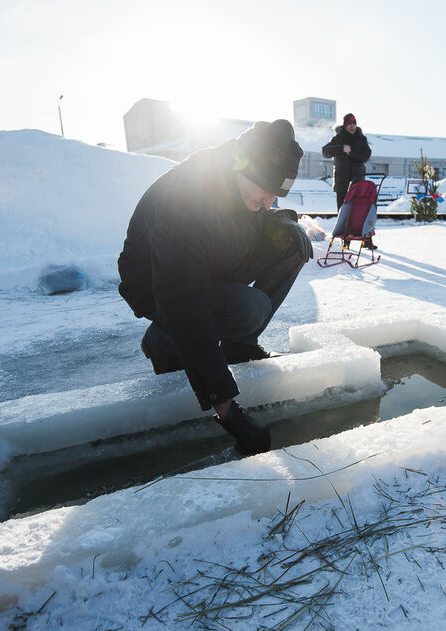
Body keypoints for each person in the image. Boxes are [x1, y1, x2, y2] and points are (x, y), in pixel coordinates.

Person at [117, 119, 312, 456]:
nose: (269, 202)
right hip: (159, 283)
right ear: (245, 166)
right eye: (266, 192)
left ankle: (239, 345)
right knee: (249, 307)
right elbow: (183, 301)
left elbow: (245, 219)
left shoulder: (240, 181)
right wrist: (228, 412)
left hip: (209, 265)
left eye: (275, 195)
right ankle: (161, 339)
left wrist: (281, 220)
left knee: (291, 243)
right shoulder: (186, 199)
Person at [322, 113, 372, 212]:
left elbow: (366, 155)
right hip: (342, 182)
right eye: (349, 124)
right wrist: (341, 148)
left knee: (357, 211)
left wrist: (351, 152)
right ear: (345, 125)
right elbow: (325, 151)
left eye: (354, 123)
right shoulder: (338, 139)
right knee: (342, 210)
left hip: (357, 181)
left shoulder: (361, 139)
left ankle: (356, 227)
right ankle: (342, 227)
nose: (352, 126)